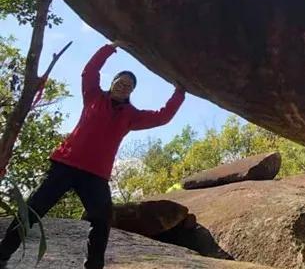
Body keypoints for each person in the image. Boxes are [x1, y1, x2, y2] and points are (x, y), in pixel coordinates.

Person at [0, 43, 185, 269]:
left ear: (131, 92)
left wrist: (180, 91)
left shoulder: (132, 116)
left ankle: (94, 266)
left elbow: (162, 117)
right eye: (120, 82)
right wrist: (110, 48)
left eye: (128, 86)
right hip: (65, 165)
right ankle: (3, 252)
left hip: (95, 176)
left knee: (102, 219)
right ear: (112, 83)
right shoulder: (93, 95)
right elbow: (90, 71)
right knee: (33, 210)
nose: (123, 87)